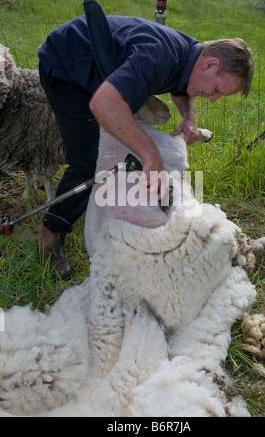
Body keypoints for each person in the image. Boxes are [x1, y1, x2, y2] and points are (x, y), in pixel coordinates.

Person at [38, 15, 254, 279]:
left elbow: (180, 85)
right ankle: (52, 234)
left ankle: (117, 211)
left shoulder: (188, 58)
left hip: (103, 68)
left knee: (126, 138)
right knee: (88, 160)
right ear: (211, 64)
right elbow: (103, 104)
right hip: (67, 67)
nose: (213, 99)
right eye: (217, 90)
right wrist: (150, 153)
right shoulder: (160, 56)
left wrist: (190, 118)